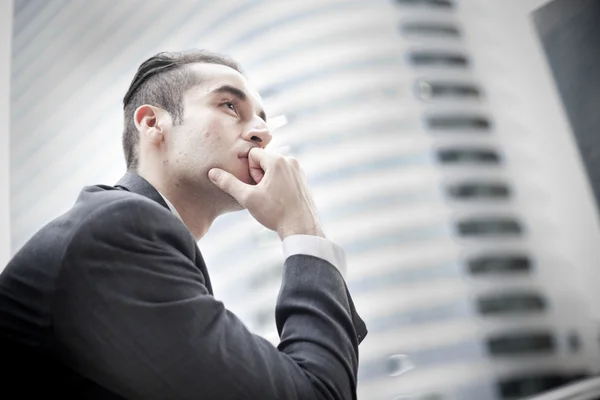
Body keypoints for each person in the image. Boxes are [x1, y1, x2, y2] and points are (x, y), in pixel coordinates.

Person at [0, 49, 367, 399]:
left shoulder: (139, 239)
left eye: (263, 119)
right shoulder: (118, 228)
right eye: (229, 105)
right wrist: (301, 228)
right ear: (152, 123)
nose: (262, 133)